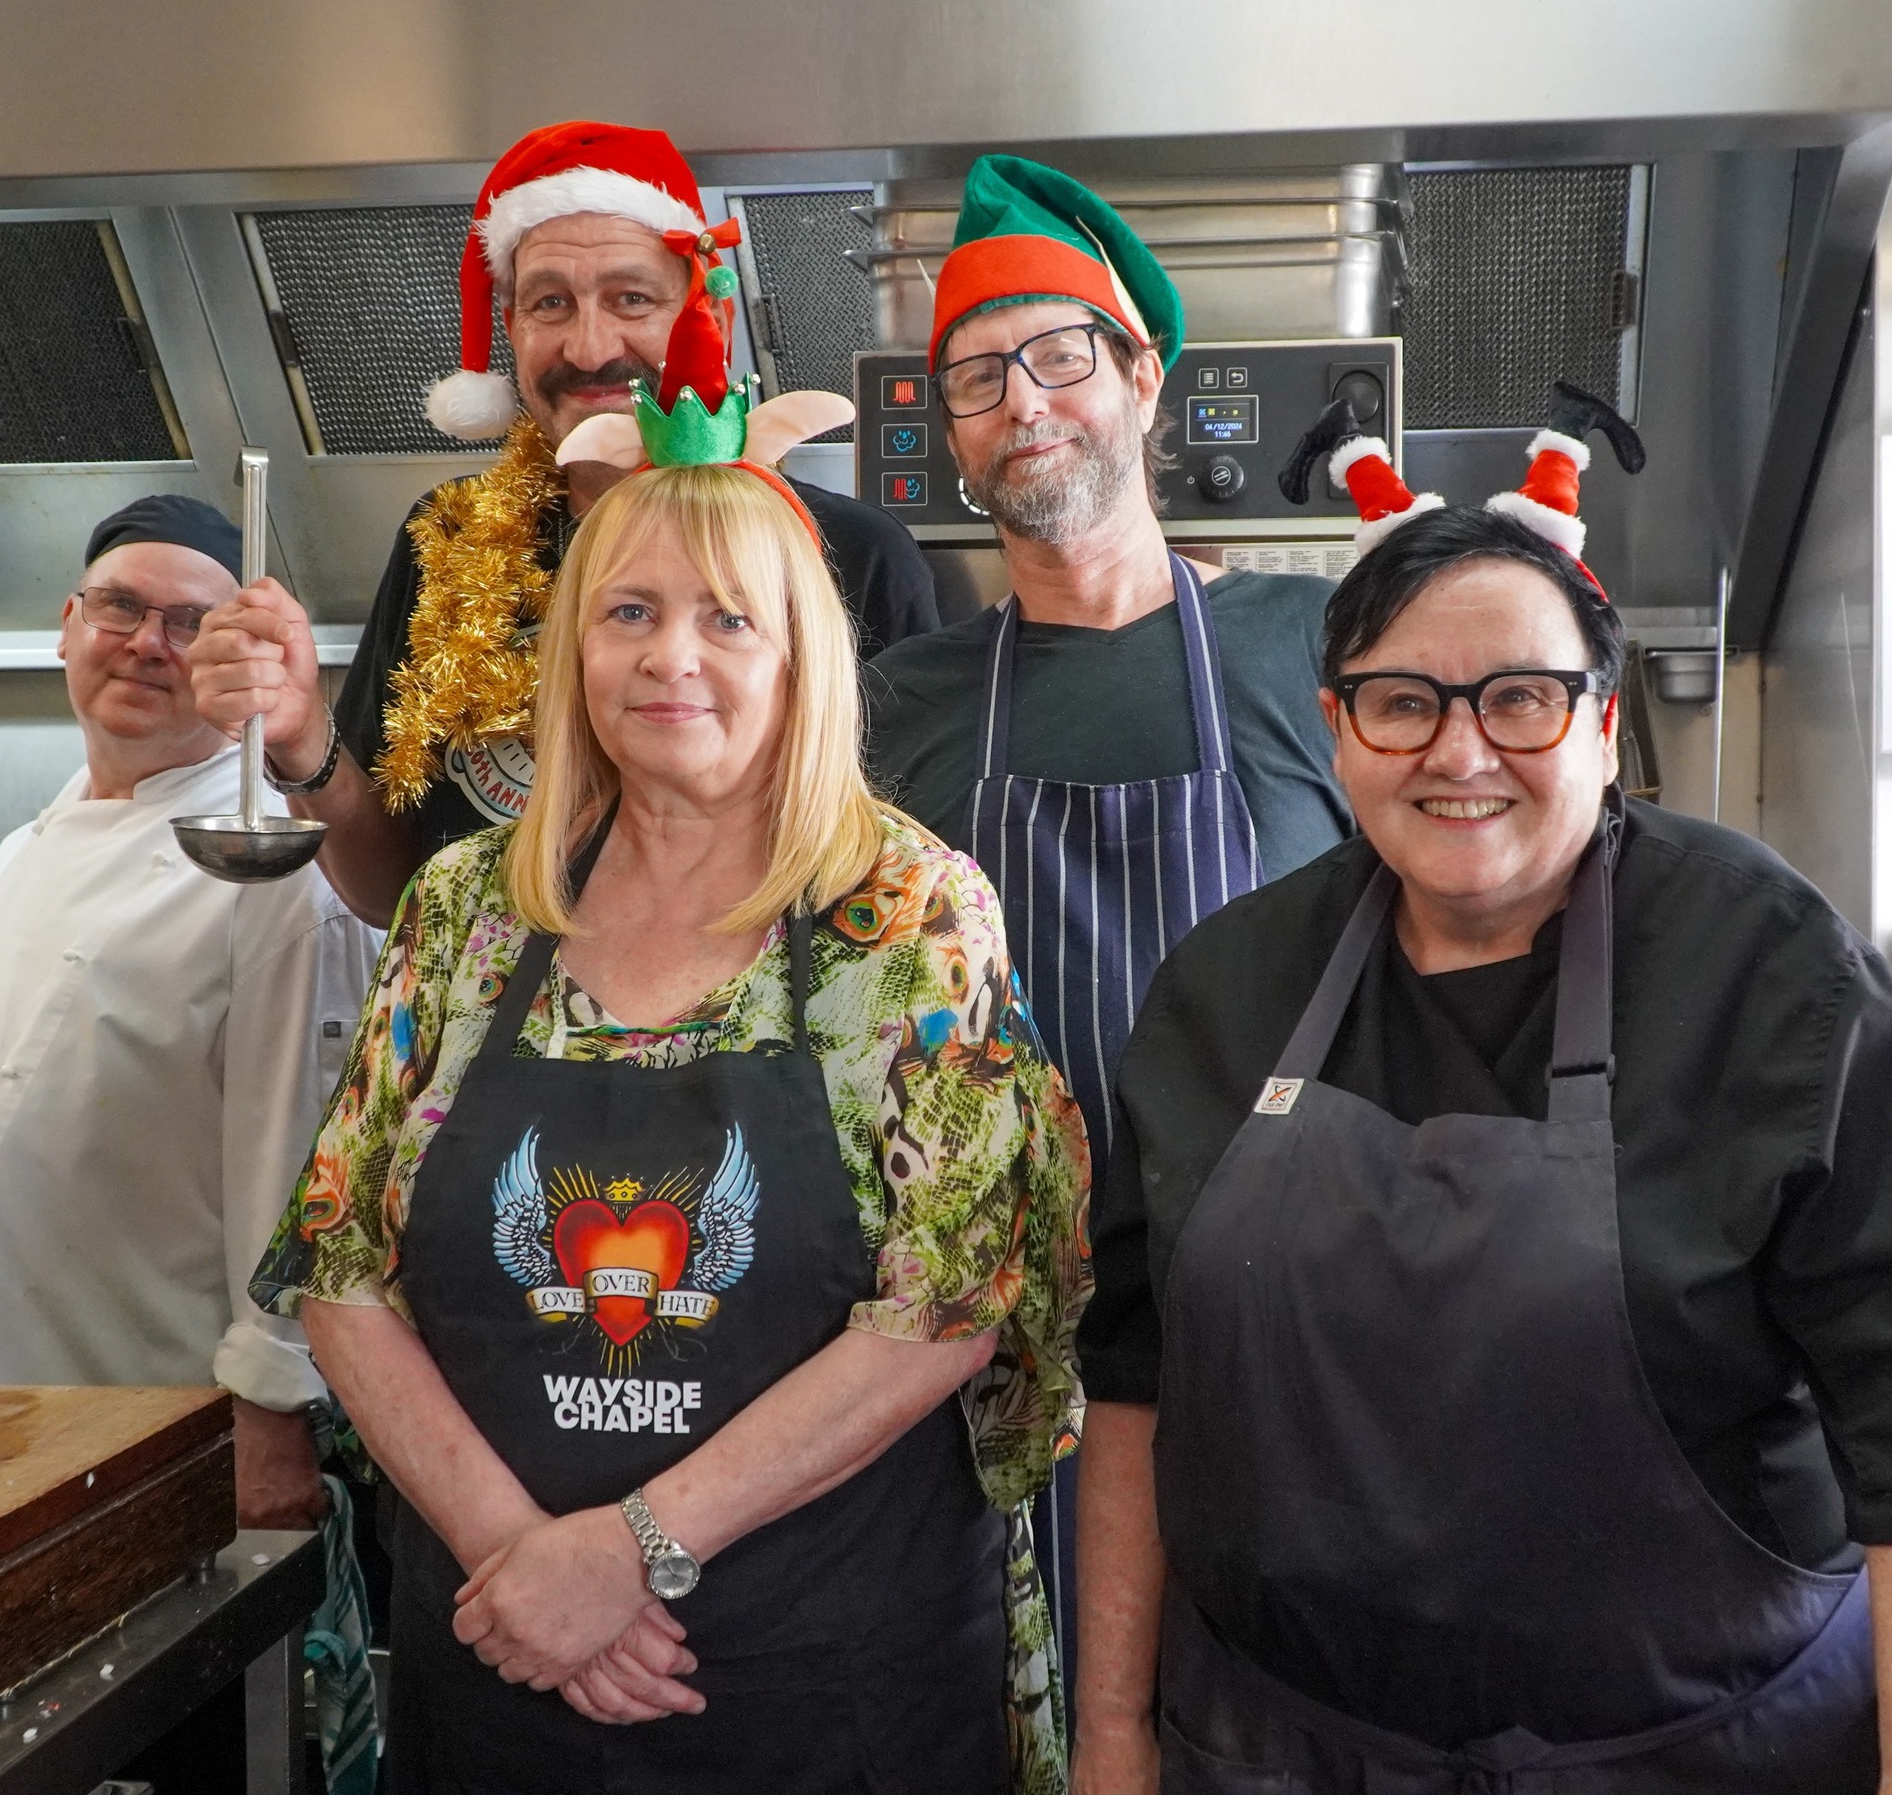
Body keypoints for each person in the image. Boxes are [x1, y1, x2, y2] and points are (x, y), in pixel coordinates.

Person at [250, 301, 1089, 1793]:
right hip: (504, 1662)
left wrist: (638, 1548)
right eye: (628, 612)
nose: (670, 657)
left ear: (801, 660)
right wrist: (532, 1563)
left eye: (726, 617)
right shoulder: (467, 909)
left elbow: (957, 1295)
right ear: (575, 649)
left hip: (828, 1686)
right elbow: (337, 1259)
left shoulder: (901, 914)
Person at [1073, 400, 1892, 1792]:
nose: (1461, 754)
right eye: (1404, 703)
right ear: (1338, 729)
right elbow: (1135, 1387)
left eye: (1520, 697)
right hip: (1281, 1752)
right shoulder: (1228, 984)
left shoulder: (1774, 981)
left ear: (1603, 718)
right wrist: (1109, 1739)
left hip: (1701, 1757)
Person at [863, 154, 1353, 1691]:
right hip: (995, 1349)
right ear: (949, 435)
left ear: (1145, 375)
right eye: (976, 379)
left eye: (1061, 355)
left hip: (1286, 1324)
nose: (1025, 403)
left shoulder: (1319, 645)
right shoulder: (901, 706)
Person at [189, 121, 939, 929]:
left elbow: (896, 874)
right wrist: (301, 736)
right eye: (551, 302)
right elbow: (392, 893)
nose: (589, 347)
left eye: (631, 298)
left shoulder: (848, 555)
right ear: (508, 328)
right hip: (488, 1012)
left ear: (704, 318)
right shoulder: (446, 541)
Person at [0, 495, 378, 1528]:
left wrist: (271, 1415)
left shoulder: (270, 865)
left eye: (192, 624)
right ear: (66, 622)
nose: (147, 643)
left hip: (115, 1424)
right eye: (119, 607)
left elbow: (305, 1160)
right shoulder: (44, 834)